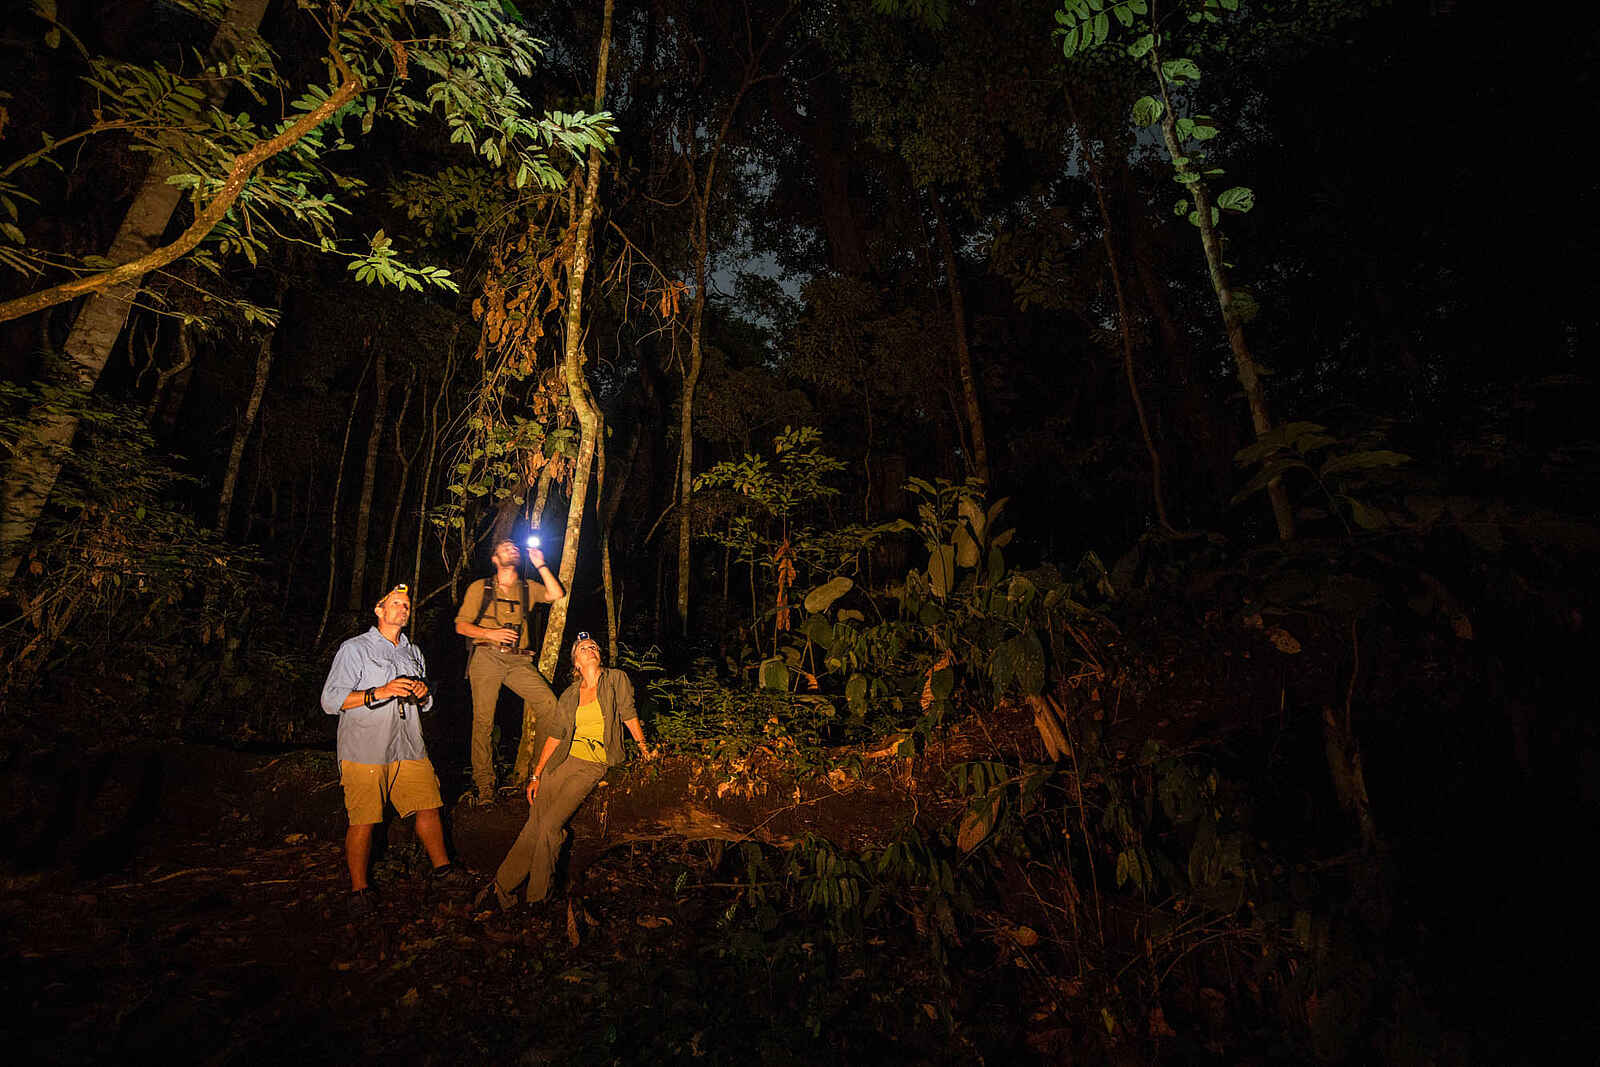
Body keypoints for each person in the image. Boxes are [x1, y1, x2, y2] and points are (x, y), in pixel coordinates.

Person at [321, 584, 472, 917]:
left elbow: (427, 702)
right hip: (365, 749)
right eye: (396, 604)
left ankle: (442, 870)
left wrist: (421, 693)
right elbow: (331, 701)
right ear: (379, 609)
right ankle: (359, 890)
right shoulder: (354, 649)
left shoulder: (413, 652)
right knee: (363, 820)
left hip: (409, 745)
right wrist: (380, 691)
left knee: (428, 805)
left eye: (407, 606)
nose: (403, 609)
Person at [478, 632, 656, 909]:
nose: (590, 649)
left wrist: (644, 749)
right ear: (575, 662)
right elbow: (556, 734)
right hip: (561, 763)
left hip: (592, 765)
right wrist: (536, 774)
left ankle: (537, 897)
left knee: (550, 826)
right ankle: (502, 887)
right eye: (583, 648)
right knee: (533, 825)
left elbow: (629, 713)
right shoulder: (570, 694)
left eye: (593, 646)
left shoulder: (615, 679)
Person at [455, 538, 567, 805]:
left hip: (519, 662)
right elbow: (461, 626)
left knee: (549, 705)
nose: (512, 549)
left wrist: (540, 564)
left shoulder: (527, 587)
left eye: (514, 548)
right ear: (495, 558)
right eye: (506, 547)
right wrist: (490, 633)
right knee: (483, 722)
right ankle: (485, 787)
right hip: (486, 657)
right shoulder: (480, 587)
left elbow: (556, 594)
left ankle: (539, 774)